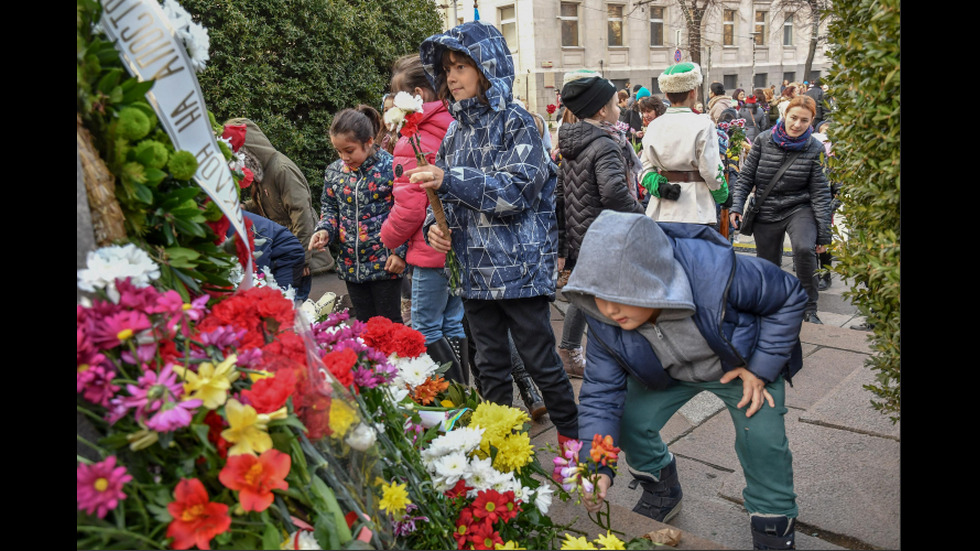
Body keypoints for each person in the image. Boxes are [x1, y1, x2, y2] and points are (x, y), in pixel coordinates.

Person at [566, 210, 806, 551]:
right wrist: (596, 465)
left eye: (619, 296)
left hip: (741, 366)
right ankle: (661, 486)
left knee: (763, 439)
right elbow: (600, 395)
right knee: (629, 421)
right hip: (670, 373)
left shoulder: (715, 273)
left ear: (651, 277)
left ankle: (773, 523)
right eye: (598, 296)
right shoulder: (604, 318)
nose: (607, 310)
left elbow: (788, 296)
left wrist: (761, 368)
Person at [409, 21, 579, 446]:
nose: (451, 77)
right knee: (489, 366)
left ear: (488, 67)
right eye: (447, 69)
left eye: (462, 66)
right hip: (472, 272)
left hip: (518, 272)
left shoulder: (517, 121)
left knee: (541, 361)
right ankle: (499, 449)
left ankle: (575, 442)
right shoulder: (455, 130)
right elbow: (442, 201)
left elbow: (515, 191)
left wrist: (448, 179)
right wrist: (435, 229)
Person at [377, 54, 468, 384]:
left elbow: (411, 205)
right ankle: (463, 391)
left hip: (428, 249)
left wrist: (387, 238)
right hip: (456, 243)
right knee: (453, 320)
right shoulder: (453, 124)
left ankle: (448, 397)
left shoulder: (413, 138)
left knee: (425, 326)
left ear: (417, 95)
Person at [555, 70, 645, 379]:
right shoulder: (605, 144)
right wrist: (642, 215)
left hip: (583, 232)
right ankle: (599, 358)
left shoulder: (573, 141)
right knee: (604, 300)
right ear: (601, 110)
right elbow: (614, 193)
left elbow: (562, 193)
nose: (620, 108)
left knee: (588, 295)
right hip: (605, 233)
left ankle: (572, 350)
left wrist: (566, 238)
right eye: (615, 104)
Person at [729, 95, 833, 324]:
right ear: (785, 115)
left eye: (804, 120)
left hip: (799, 207)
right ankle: (773, 307)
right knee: (768, 264)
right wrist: (737, 205)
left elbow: (820, 193)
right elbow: (746, 176)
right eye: (794, 118)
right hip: (766, 207)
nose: (797, 124)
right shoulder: (764, 140)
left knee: (804, 249)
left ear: (812, 121)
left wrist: (824, 235)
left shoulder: (815, 148)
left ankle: (809, 308)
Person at [309, 106, 408, 323]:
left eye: (349, 150)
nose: (344, 157)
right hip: (350, 265)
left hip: (385, 264)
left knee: (390, 326)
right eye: (338, 151)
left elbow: (405, 212)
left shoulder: (392, 168)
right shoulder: (334, 172)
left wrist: (400, 253)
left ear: (369, 141)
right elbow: (329, 208)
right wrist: (324, 230)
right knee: (363, 328)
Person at [225, 118, 335, 296]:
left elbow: (302, 213)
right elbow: (268, 204)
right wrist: (244, 208)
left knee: (303, 310)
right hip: (290, 253)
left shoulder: (280, 169)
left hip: (304, 257)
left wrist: (304, 259)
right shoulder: (263, 172)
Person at [639, 63, 729, 226]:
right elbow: (711, 170)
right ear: (693, 92)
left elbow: (644, 167)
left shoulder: (654, 126)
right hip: (696, 208)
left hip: (661, 209)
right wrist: (724, 196)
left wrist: (659, 187)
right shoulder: (703, 124)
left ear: (666, 94)